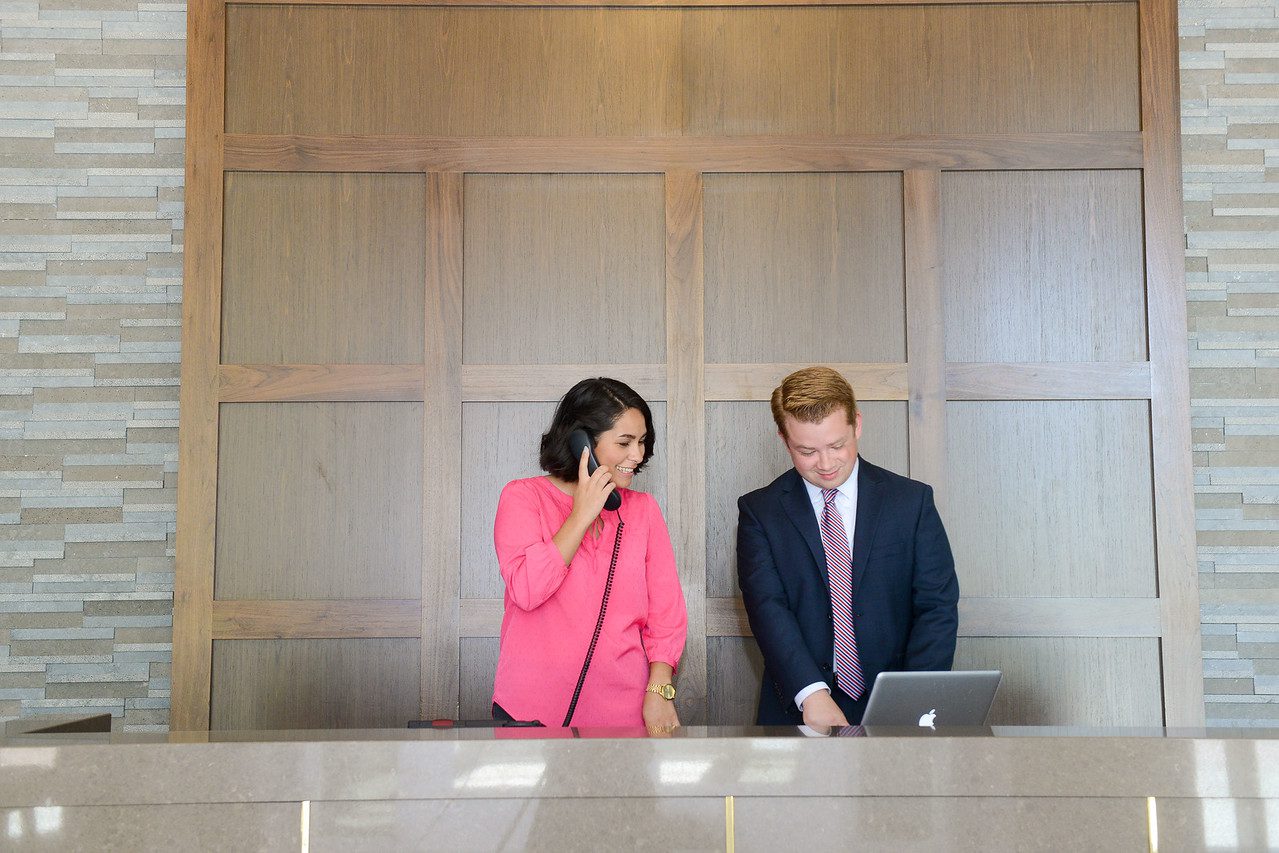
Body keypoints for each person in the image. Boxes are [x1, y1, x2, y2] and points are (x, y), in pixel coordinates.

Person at [737, 366, 959, 727]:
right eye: (806, 451)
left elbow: (936, 606)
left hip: (899, 707)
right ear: (783, 439)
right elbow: (767, 607)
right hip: (798, 705)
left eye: (837, 446)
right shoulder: (760, 511)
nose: (825, 464)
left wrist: (913, 699)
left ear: (856, 424)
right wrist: (812, 693)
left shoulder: (911, 502)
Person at [492, 377, 687, 729]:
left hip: (626, 713)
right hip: (531, 711)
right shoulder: (522, 498)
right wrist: (581, 514)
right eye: (624, 442)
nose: (638, 455)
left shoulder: (643, 511)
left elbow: (666, 616)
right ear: (581, 442)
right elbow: (527, 590)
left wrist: (660, 692)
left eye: (642, 442)